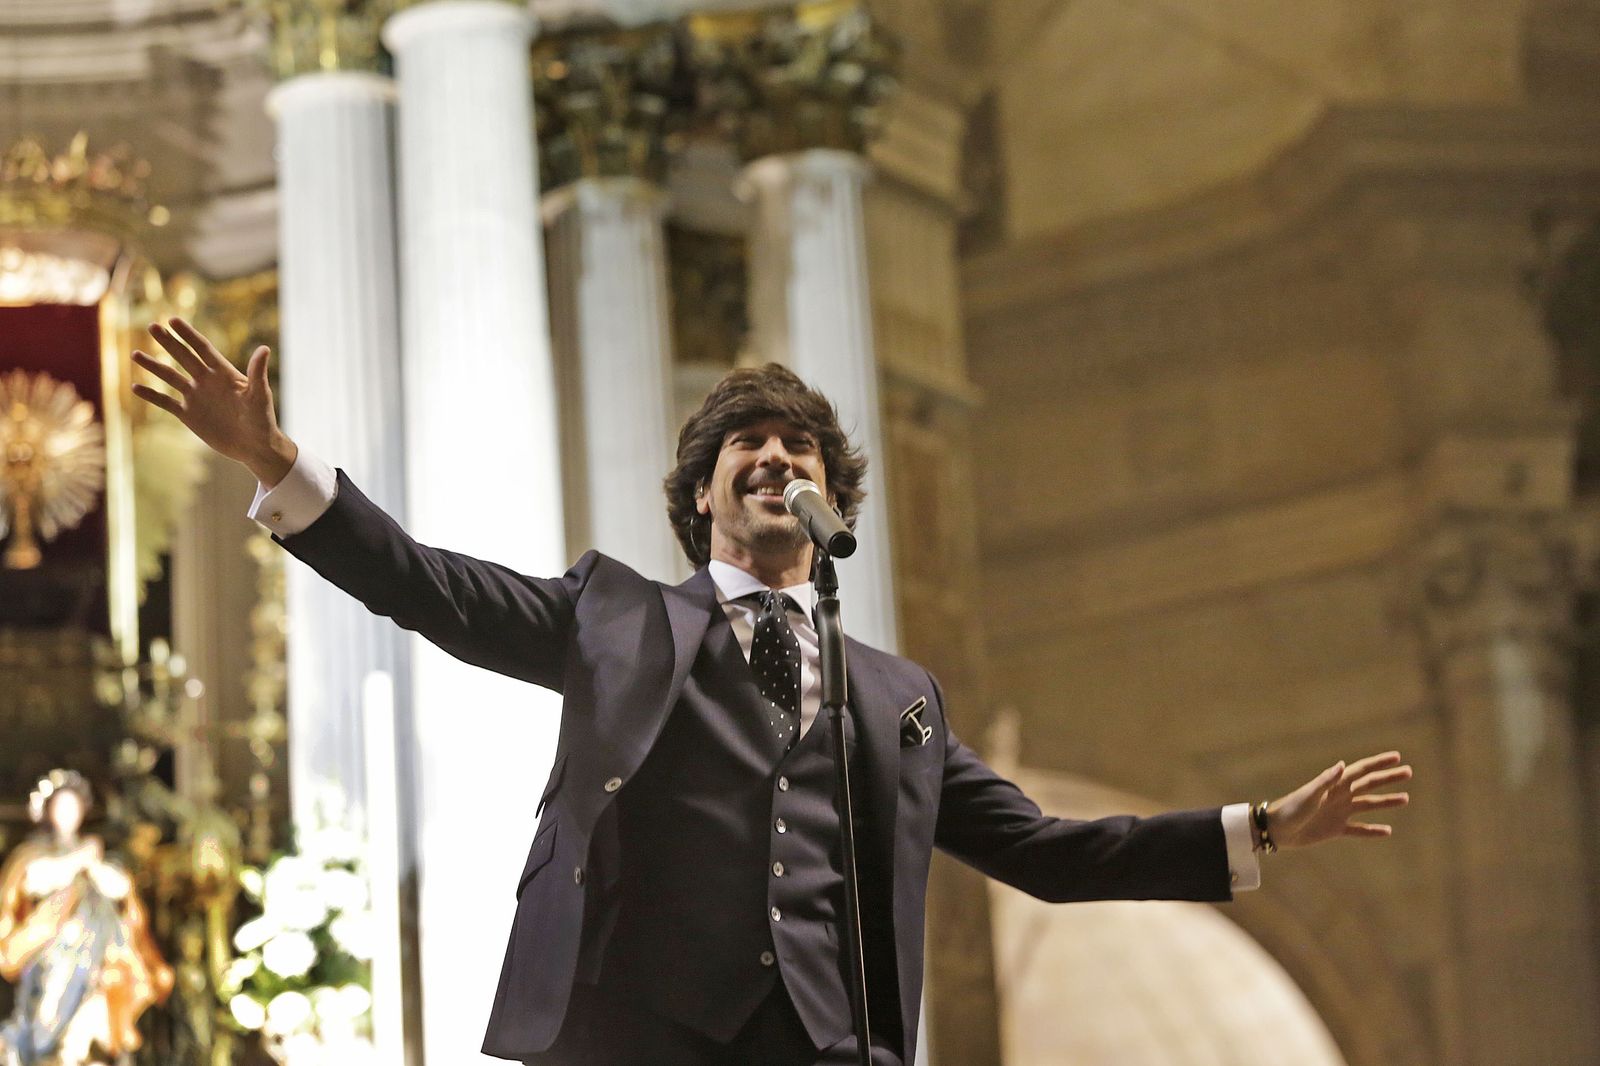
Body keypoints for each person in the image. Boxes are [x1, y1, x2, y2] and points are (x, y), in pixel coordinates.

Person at [131, 318, 1412, 1066]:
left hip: (818, 1045)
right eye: (747, 444)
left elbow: (1045, 849)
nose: (773, 457)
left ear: (829, 501)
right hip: (635, 1037)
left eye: (798, 449)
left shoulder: (895, 694)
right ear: (702, 495)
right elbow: (433, 590)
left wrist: (1257, 828)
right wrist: (280, 465)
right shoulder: (614, 617)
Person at [0, 771, 174, 1066]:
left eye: (73, 806)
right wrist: (79, 859)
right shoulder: (33, 853)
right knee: (49, 1016)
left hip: (95, 953)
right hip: (52, 954)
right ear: (48, 811)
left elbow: (121, 888)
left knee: (92, 1015)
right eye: (61, 806)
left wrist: (93, 864)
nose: (68, 813)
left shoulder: (98, 855)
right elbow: (32, 880)